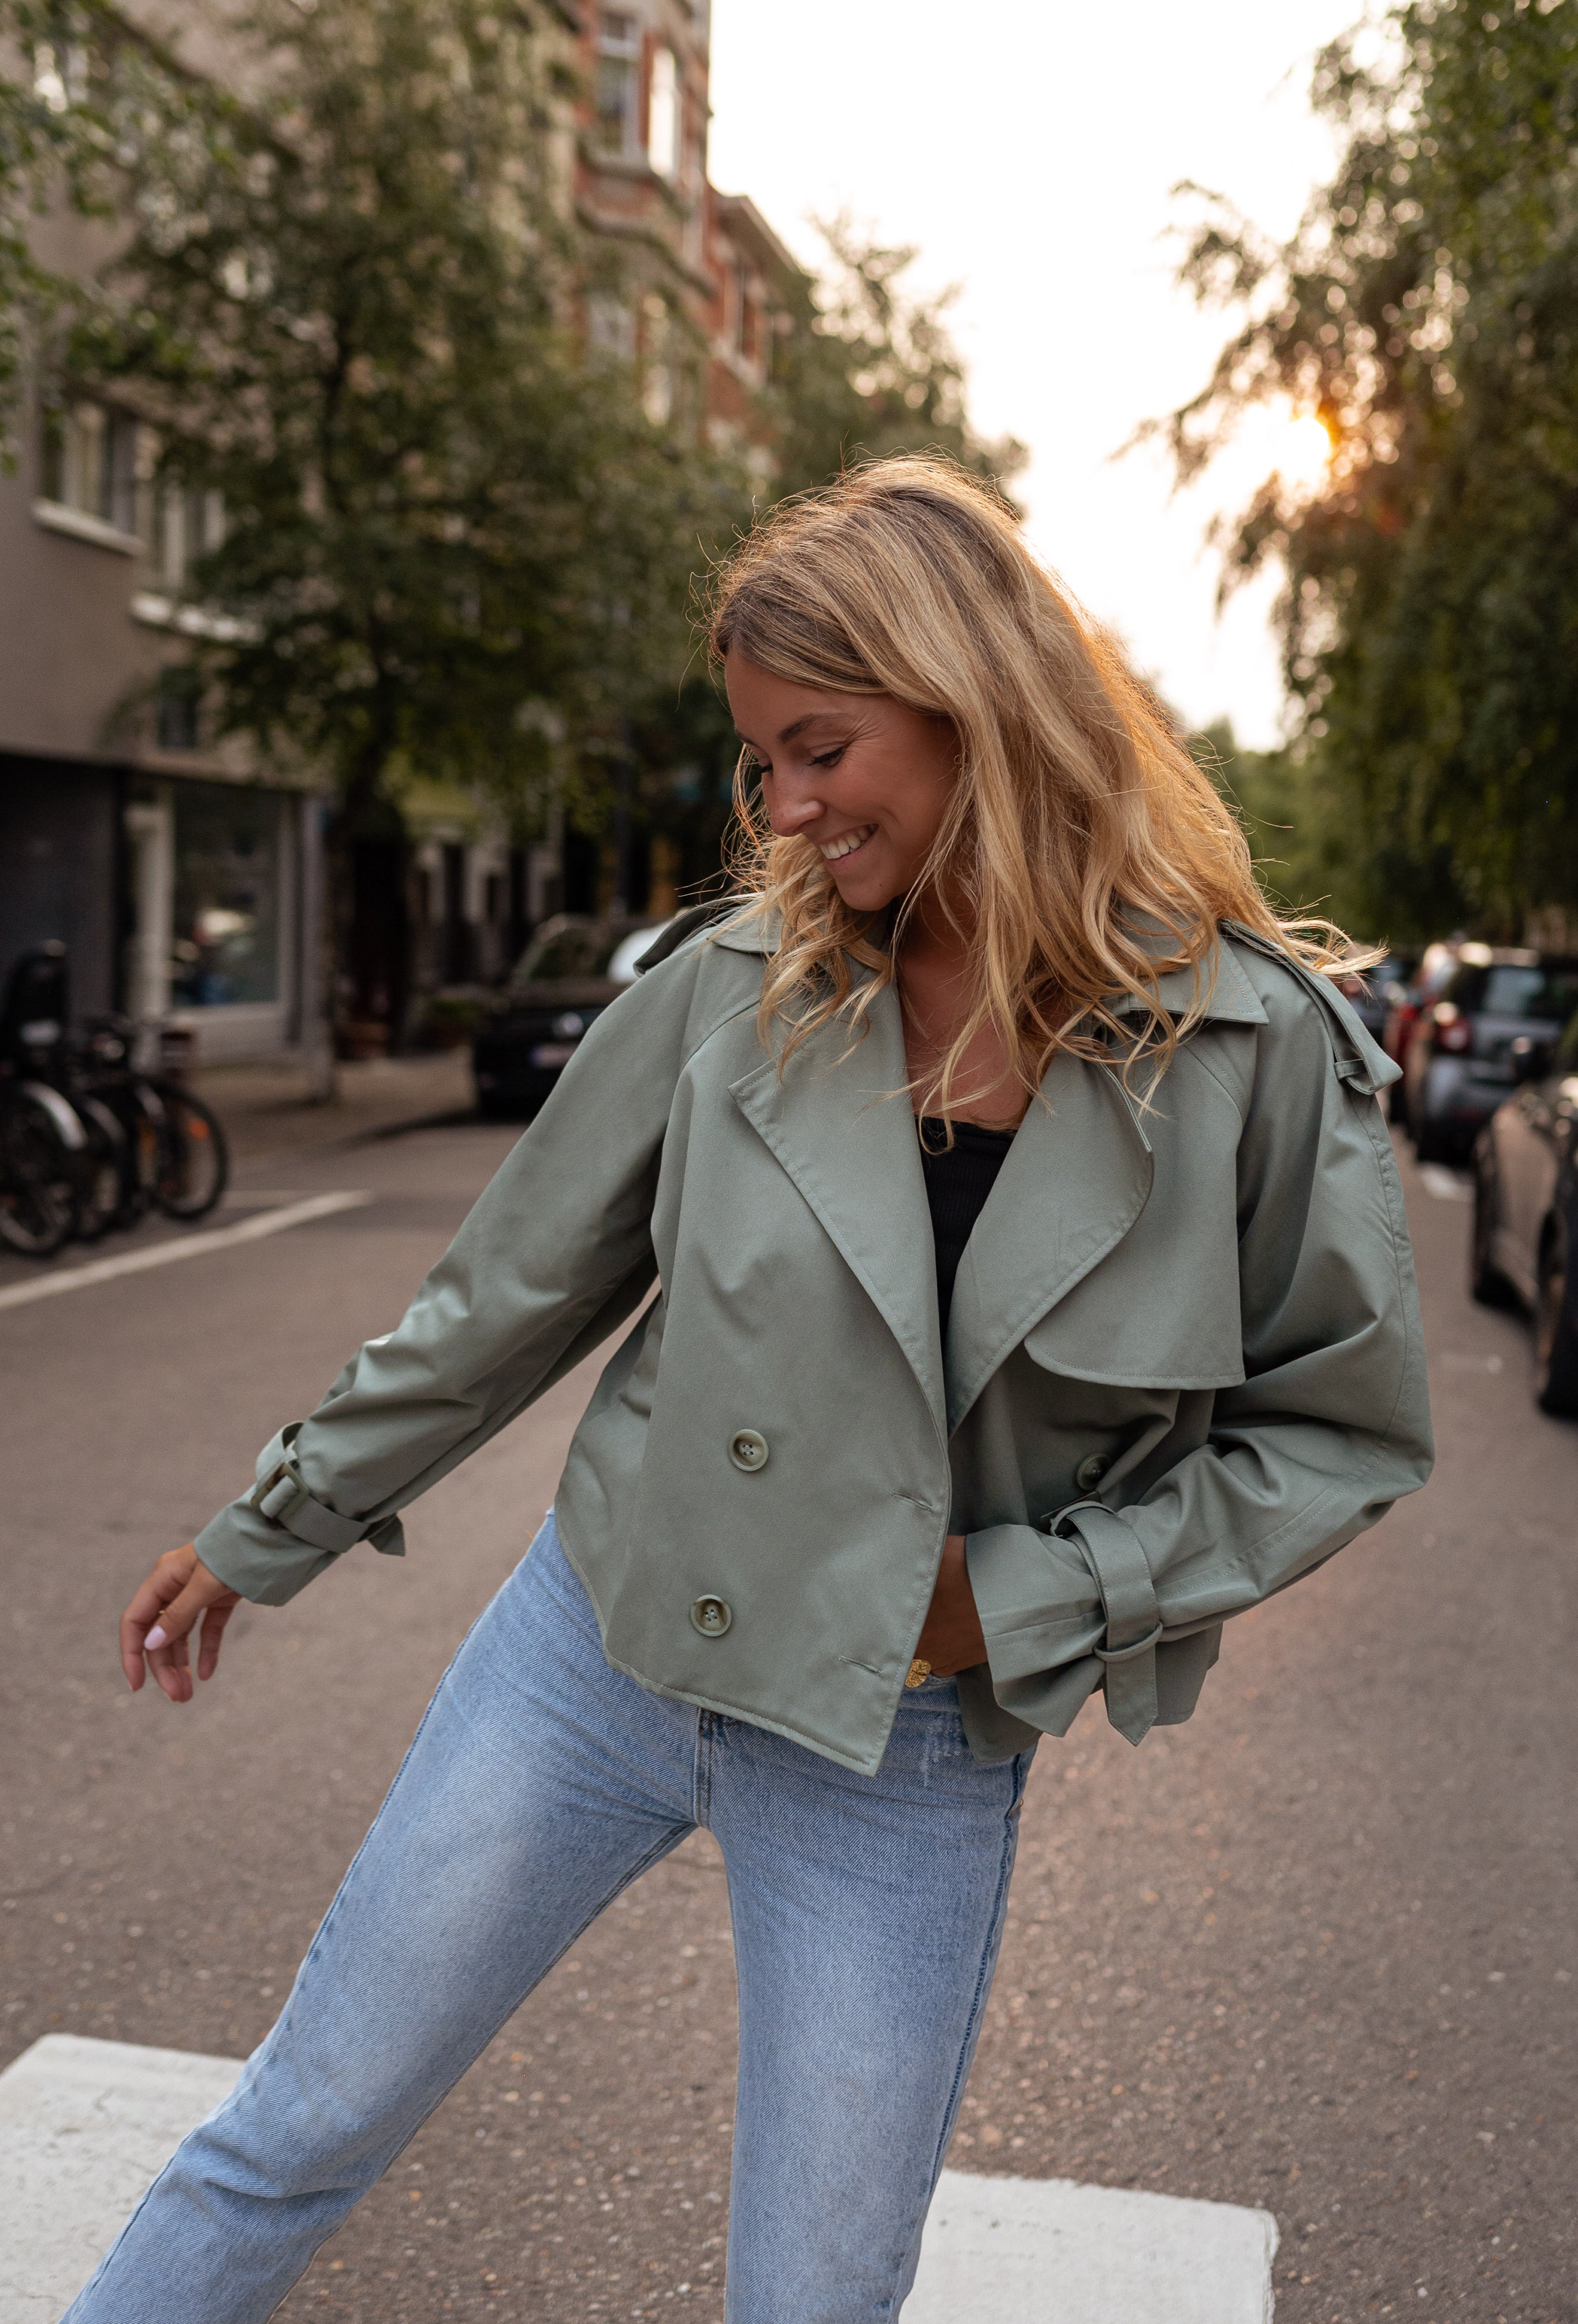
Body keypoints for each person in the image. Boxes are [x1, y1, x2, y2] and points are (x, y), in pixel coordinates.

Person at [72, 457, 1432, 2324]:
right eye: (759, 763)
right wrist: (268, 1525)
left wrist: (1022, 1601)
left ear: (971, 708)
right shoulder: (733, 987)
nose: (783, 811)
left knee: (815, 2296)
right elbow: (502, 1302)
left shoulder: (1248, 1050)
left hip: (906, 1743)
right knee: (291, 2132)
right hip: (595, 1659)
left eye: (820, 750)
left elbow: (1338, 1435)